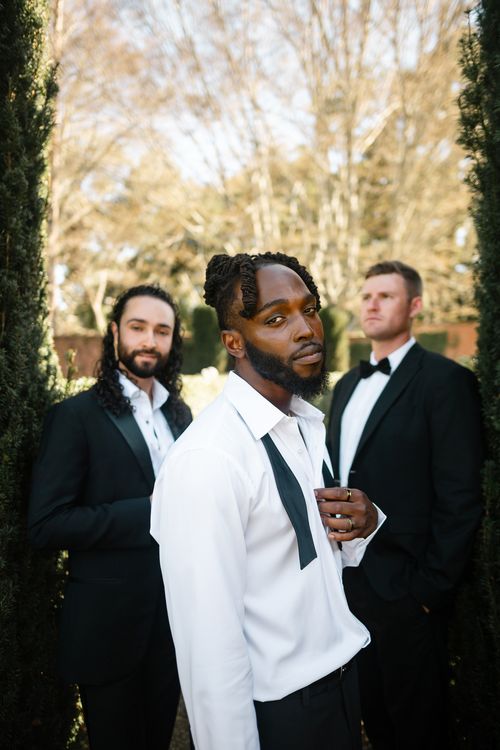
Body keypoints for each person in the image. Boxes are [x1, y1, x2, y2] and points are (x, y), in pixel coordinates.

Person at [151, 251, 385, 750]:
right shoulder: (208, 458)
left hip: (342, 688)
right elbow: (209, 649)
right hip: (280, 713)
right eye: (276, 319)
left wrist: (365, 523)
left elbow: (307, 561)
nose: (306, 330)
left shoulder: (302, 424)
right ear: (234, 342)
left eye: (309, 309)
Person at [326, 260, 483, 750]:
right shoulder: (345, 386)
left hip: (408, 591)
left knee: (419, 729)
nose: (372, 304)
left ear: (414, 306)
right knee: (372, 719)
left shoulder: (445, 381)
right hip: (347, 587)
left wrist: (429, 591)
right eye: (366, 296)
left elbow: (460, 495)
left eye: (386, 296)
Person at [28, 285, 192, 750]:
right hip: (107, 631)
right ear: (115, 332)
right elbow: (46, 524)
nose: (150, 341)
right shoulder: (75, 416)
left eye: (162, 331)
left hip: (175, 626)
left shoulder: (182, 415)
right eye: (138, 327)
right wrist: (150, 513)